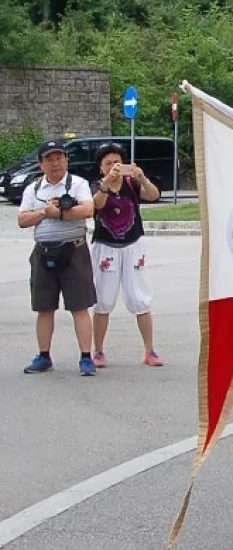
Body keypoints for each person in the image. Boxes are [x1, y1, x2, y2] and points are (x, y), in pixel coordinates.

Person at [17, 140, 98, 376]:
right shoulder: (33, 189)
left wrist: (60, 213)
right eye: (50, 159)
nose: (56, 163)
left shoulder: (78, 184)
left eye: (60, 158)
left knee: (79, 306)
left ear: (66, 160)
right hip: (43, 252)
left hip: (74, 250)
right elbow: (22, 220)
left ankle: (86, 357)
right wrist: (44, 211)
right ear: (41, 164)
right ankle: (43, 356)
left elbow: (88, 210)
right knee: (44, 307)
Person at [91, 143, 162, 368]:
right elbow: (96, 205)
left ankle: (149, 350)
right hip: (106, 246)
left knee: (141, 298)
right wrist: (106, 185)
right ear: (101, 167)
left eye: (117, 162)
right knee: (103, 300)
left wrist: (142, 179)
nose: (113, 167)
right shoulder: (96, 186)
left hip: (133, 244)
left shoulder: (131, 184)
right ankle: (99, 351)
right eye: (108, 163)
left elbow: (153, 196)